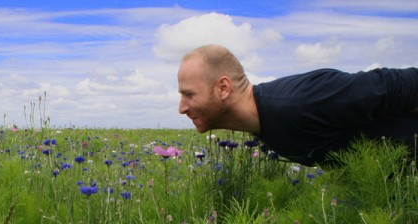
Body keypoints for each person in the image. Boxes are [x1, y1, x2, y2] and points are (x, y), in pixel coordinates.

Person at [177, 44, 418, 166]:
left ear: (223, 88)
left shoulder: (302, 100)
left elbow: (396, 84)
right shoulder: (263, 123)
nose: (182, 107)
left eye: (189, 94)